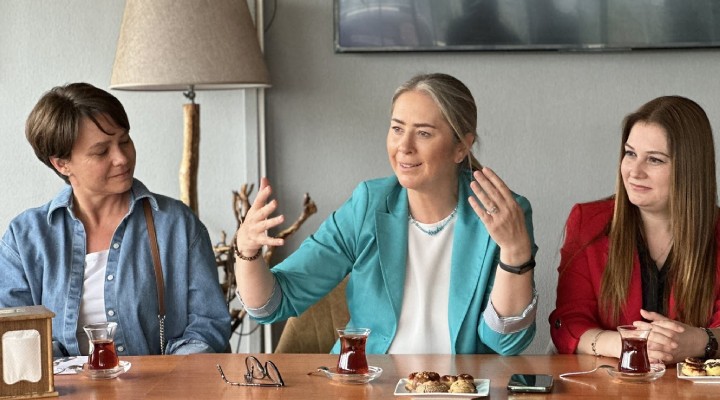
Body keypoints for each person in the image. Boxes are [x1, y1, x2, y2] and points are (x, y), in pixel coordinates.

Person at [235, 73, 538, 354]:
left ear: (461, 147)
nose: (404, 146)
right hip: (370, 381)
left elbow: (505, 342)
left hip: (462, 386)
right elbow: (273, 303)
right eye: (397, 129)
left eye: (423, 133)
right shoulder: (369, 203)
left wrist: (515, 253)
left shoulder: (503, 213)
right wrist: (247, 252)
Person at [0, 83, 230, 356]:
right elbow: (16, 339)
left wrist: (166, 376)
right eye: (101, 151)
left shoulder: (176, 224)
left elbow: (208, 326)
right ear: (62, 164)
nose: (121, 158)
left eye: (124, 141)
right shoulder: (25, 238)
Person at [550, 96, 720, 364]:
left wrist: (699, 341)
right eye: (630, 154)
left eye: (654, 160)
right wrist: (630, 345)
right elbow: (569, 323)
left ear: (690, 168)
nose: (634, 172)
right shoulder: (588, 221)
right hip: (609, 382)